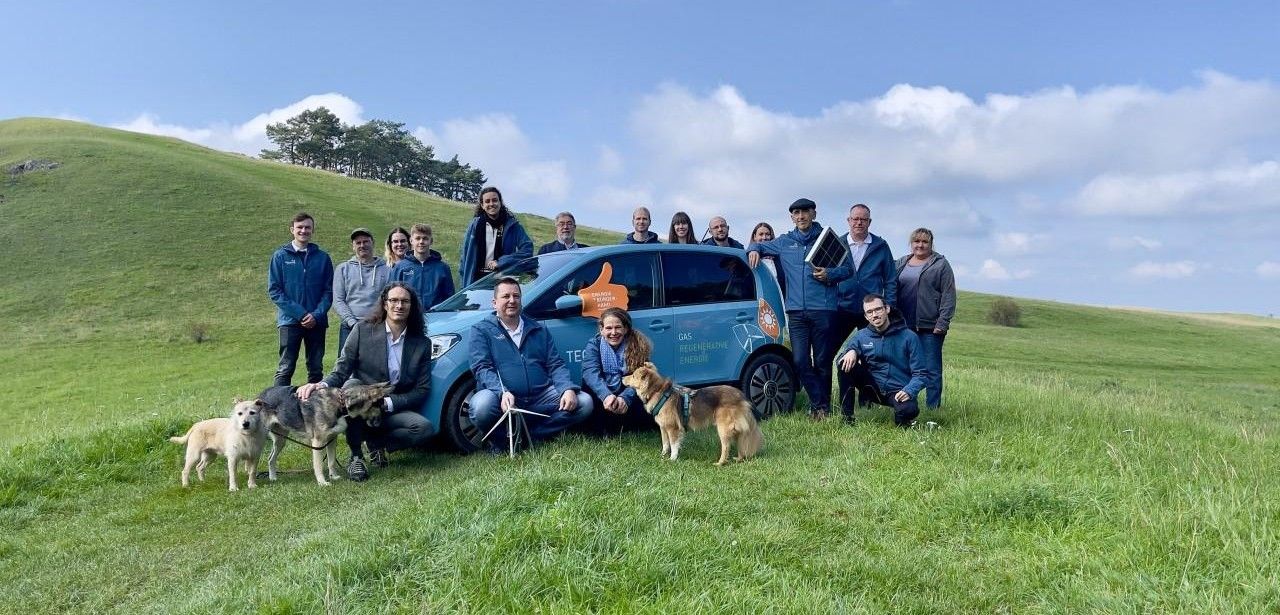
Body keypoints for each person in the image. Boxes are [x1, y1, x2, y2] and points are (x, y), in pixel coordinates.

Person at [296, 282, 433, 481]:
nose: (399, 305)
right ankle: (356, 457)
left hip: (390, 406)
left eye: (405, 301)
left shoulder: (422, 343)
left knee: (423, 429)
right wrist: (321, 385)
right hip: (361, 404)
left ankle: (376, 444)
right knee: (350, 389)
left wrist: (387, 403)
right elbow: (342, 369)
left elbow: (422, 389)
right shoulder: (362, 330)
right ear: (385, 304)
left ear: (411, 306)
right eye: (394, 300)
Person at [746, 198, 849, 420]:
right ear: (792, 217)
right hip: (796, 312)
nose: (801, 216)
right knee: (800, 361)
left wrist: (830, 274)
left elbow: (848, 269)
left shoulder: (828, 239)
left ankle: (821, 410)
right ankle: (820, 403)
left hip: (823, 310)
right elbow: (759, 245)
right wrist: (753, 248)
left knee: (822, 362)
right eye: (796, 213)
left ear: (813, 214)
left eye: (805, 212)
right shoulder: (784, 241)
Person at [468, 277, 593, 452]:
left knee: (584, 402)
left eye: (516, 296)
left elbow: (555, 364)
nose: (512, 300)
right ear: (494, 303)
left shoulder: (538, 329)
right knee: (481, 407)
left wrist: (567, 388)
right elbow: (481, 367)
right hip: (503, 397)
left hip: (541, 395)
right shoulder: (481, 330)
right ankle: (501, 440)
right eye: (506, 296)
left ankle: (531, 436)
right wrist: (501, 392)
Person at [836, 293, 927, 426]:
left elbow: (921, 374)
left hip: (898, 391)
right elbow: (847, 352)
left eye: (878, 309)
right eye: (870, 312)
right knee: (844, 362)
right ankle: (847, 418)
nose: (874, 315)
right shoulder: (861, 336)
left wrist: (909, 391)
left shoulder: (909, 337)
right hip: (873, 389)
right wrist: (851, 351)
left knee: (909, 410)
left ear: (887, 309)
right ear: (866, 317)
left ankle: (902, 419)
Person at [268, 212, 334, 386]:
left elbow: (328, 292)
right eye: (299, 227)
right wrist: (301, 314)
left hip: (317, 323)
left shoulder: (323, 258)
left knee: (316, 368)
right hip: (289, 321)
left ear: (312, 230)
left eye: (307, 227)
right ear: (292, 230)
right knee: (285, 367)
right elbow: (275, 290)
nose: (303, 231)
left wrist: (316, 315)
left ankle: (316, 402)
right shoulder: (280, 257)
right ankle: (277, 401)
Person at [894, 228, 956, 409]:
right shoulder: (901, 263)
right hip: (903, 326)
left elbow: (949, 295)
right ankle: (905, 406)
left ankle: (932, 409)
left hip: (930, 327)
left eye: (924, 242)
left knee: (931, 370)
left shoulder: (941, 265)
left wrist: (942, 322)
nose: (920, 245)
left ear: (931, 244)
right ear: (911, 243)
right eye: (916, 241)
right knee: (903, 368)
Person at [831, 203, 897, 347]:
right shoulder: (837, 244)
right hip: (841, 309)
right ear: (849, 220)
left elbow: (890, 279)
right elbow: (828, 274)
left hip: (871, 310)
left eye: (863, 219)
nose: (859, 222)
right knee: (829, 350)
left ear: (869, 222)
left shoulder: (881, 246)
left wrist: (889, 306)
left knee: (873, 351)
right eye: (855, 219)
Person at [580, 307, 654, 434]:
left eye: (618, 327)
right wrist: (606, 395)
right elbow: (590, 372)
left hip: (628, 393)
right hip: (603, 394)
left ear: (625, 329)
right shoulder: (594, 345)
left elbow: (642, 378)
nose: (613, 332)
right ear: (601, 330)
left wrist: (625, 398)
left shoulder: (638, 345)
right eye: (608, 328)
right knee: (589, 385)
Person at [459, 186, 534, 284]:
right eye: (487, 201)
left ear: (500, 202)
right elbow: (465, 257)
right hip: (476, 283)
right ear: (482, 205)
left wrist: (502, 262)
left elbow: (527, 249)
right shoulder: (474, 225)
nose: (491, 204)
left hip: (503, 281)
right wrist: (464, 286)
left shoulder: (513, 225)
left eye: (494, 200)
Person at [333, 227, 390, 354]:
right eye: (358, 243)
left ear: (372, 243)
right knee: (346, 364)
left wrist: (378, 320)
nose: (362, 245)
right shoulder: (342, 269)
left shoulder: (387, 270)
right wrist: (352, 322)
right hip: (349, 327)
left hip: (377, 326)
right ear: (353, 246)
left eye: (365, 241)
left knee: (374, 363)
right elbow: (338, 300)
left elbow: (388, 300)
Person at [389, 223, 455, 311]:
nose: (421, 242)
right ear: (411, 241)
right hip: (409, 316)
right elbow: (392, 296)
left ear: (431, 241)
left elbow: (449, 298)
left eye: (425, 238)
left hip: (435, 316)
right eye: (417, 238)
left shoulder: (443, 268)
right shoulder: (400, 268)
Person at [750, 222, 786, 299]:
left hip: (778, 299)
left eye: (767, 234)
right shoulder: (749, 257)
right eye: (761, 234)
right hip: (757, 300)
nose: (764, 237)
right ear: (754, 237)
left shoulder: (779, 258)